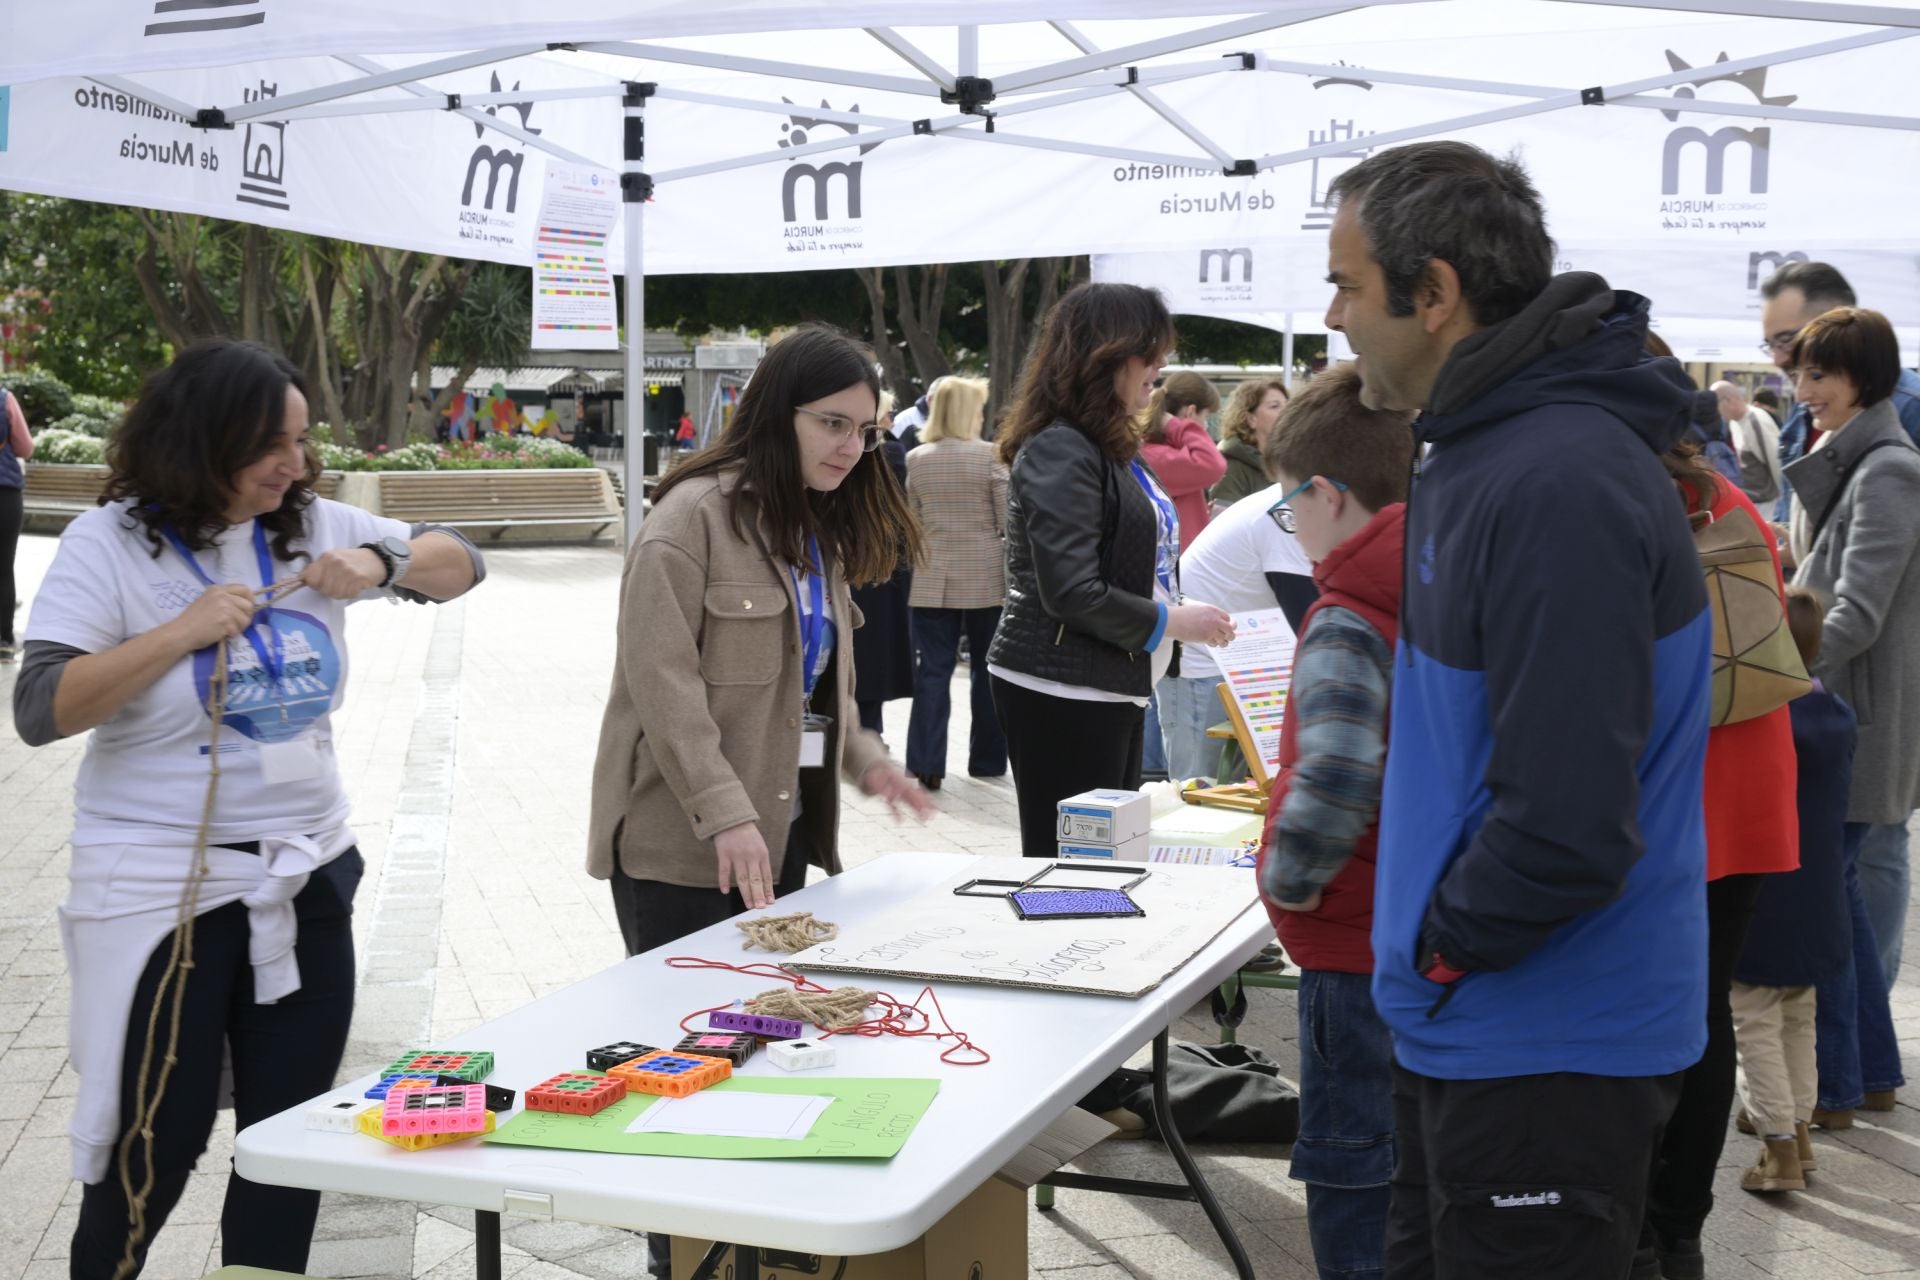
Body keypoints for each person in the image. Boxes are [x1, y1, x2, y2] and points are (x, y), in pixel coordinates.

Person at [14, 339, 484, 1278]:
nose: (295, 465)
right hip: (162, 893)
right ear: (202, 439)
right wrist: (177, 634)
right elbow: (40, 710)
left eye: (303, 442)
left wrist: (382, 564)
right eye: (272, 444)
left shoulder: (308, 523)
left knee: (289, 1143)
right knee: (155, 1139)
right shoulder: (106, 544)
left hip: (306, 873)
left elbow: (463, 561)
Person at [1326, 141, 1711, 1280]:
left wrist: (1445, 946)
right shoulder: (1489, 449)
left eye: (1349, 282)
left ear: (1434, 292)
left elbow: (1569, 819)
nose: (1336, 314)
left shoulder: (1554, 477)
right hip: (1477, 1017)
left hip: (1543, 1032)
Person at [589, 322, 934, 942]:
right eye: (833, 424)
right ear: (778, 414)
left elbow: (814, 688)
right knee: (689, 1036)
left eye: (866, 430)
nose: (853, 447)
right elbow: (665, 692)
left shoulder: (813, 528)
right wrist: (724, 813)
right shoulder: (689, 521)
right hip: (683, 849)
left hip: (780, 831)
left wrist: (869, 762)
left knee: (759, 1029)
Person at [1256, 363, 1413, 1280]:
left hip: (1348, 943)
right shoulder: (1436, 575)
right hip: (1408, 927)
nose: (1292, 528)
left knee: (1352, 1172)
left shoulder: (1346, 614)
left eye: (1287, 506)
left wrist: (1285, 879)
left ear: (1324, 492)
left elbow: (1337, 777)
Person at [986, 283, 1233, 857]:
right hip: (1062, 688)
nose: (1161, 367)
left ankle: (1083, 949)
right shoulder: (1062, 449)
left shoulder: (1102, 442)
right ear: (1105, 355)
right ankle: (1062, 952)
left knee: (1105, 865)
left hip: (1104, 682)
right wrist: (1173, 622)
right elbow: (1072, 591)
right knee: (1073, 869)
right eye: (1150, 353)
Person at [1640, 441, 1799, 1280]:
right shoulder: (1726, 499)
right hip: (1747, 784)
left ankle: (1642, 1232)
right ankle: (1681, 1235)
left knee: (1654, 1021)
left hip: (1674, 790)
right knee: (1703, 1019)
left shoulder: (1627, 502)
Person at [1781, 306, 1917, 1112]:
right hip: (1838, 709)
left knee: (1829, 901)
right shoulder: (1842, 452)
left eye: (1818, 375)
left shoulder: (1891, 468)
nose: (1802, 392)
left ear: (1862, 377)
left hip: (1854, 717)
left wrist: (1774, 673)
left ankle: (1835, 1081)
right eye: (1798, 374)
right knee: (1842, 903)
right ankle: (1867, 1074)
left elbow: (1856, 613)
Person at [1730, 587, 1855, 1196]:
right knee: (1798, 1016)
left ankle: (1777, 1145)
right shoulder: (1838, 713)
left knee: (1752, 1015)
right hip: (1820, 895)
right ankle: (1800, 1133)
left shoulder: (1765, 712)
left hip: (1767, 892)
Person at [1154, 387, 1325, 781]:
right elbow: (1307, 618)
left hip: (1236, 663)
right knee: (1198, 794)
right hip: (1202, 666)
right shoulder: (1284, 510)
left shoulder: (1292, 500)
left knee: (1225, 794)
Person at [904, 376, 1008, 790]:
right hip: (986, 576)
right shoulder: (991, 457)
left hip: (931, 576)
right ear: (969, 412)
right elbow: (1007, 522)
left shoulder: (917, 458)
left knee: (932, 671)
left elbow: (913, 521)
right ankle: (986, 761)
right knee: (987, 671)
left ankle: (927, 763)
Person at [1759, 261, 1920, 525]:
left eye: (1787, 340)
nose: (1777, 358)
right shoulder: (1805, 412)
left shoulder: (1912, 408)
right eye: (1770, 345)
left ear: (1841, 324)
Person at [849, 389, 915, 741]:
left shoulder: (861, 450)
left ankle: (862, 729)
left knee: (858, 649)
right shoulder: (890, 452)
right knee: (875, 653)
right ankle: (870, 729)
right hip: (882, 563)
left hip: (853, 559)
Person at [1138, 370, 1227, 553]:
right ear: (1191, 411)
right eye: (1206, 416)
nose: (1205, 425)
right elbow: (1213, 464)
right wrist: (1177, 426)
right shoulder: (1157, 455)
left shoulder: (1163, 453)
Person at [1209, 378, 1289, 512]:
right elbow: (1224, 523)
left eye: (1287, 405)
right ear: (1251, 419)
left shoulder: (1293, 464)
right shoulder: (1231, 468)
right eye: (1275, 406)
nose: (1286, 412)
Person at [0, 383, 35, 662]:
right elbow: (25, 448)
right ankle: (3, 640)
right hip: (4, 493)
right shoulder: (5, 399)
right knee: (3, 568)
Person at [1713, 380, 1782, 509]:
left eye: (1716, 404)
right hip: (1754, 500)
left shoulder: (1756, 422)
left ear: (1727, 400)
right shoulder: (1735, 422)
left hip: (1765, 504)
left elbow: (1777, 463)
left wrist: (1783, 506)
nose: (1716, 411)